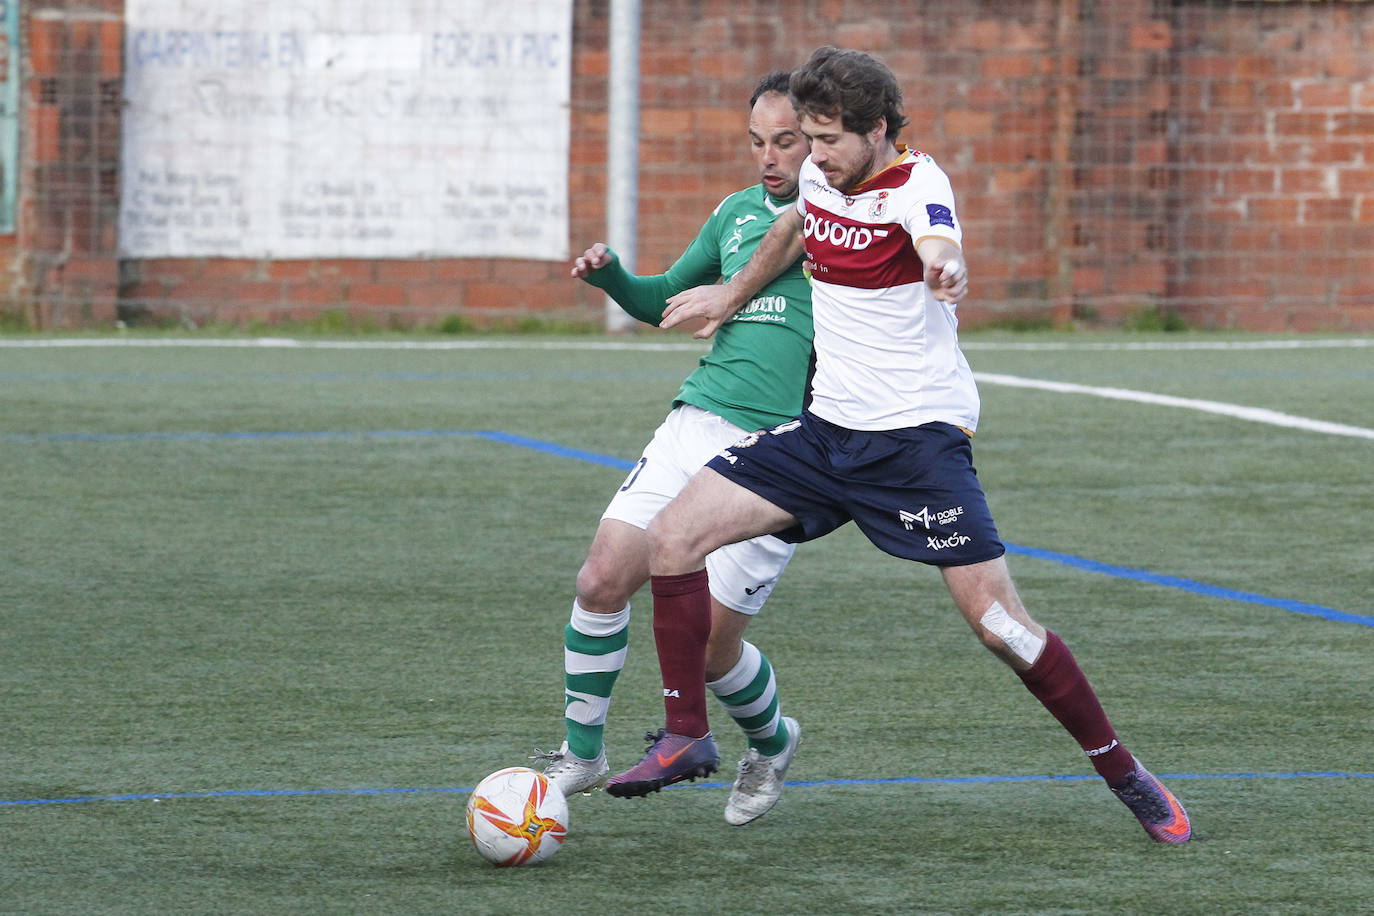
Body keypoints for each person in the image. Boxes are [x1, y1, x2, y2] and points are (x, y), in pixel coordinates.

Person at [602, 46, 1192, 844]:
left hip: (915, 447)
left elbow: (938, 240)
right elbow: (794, 227)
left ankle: (1126, 774)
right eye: (808, 139)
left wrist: (945, 269)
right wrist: (730, 293)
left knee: (1002, 628)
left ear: (876, 129)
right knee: (672, 535)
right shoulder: (822, 178)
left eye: (828, 140)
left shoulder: (919, 186)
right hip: (825, 435)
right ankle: (686, 736)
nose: (813, 157)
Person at [533, 71, 814, 826]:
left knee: (711, 649)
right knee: (600, 580)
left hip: (780, 451)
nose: (768, 158)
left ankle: (772, 741)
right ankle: (582, 754)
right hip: (696, 420)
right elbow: (664, 299)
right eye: (757, 142)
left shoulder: (843, 221)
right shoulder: (735, 213)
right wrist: (614, 278)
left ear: (819, 139)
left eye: (785, 141)